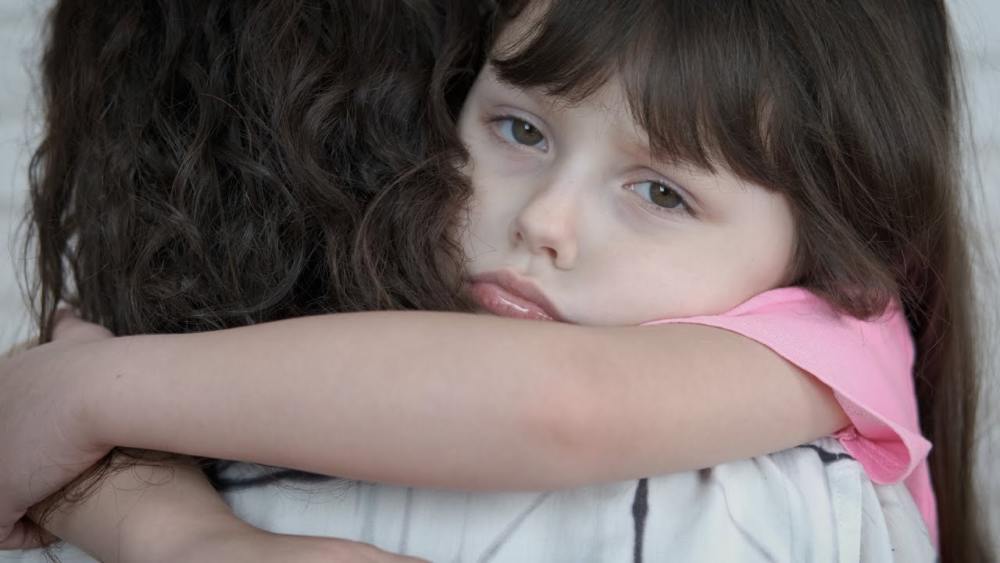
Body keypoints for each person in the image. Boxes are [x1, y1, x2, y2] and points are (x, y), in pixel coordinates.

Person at [0, 0, 991, 561]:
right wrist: (166, 526)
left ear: (834, 247)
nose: (545, 221)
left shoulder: (838, 331)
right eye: (520, 130)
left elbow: (561, 407)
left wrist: (93, 390)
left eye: (660, 192)